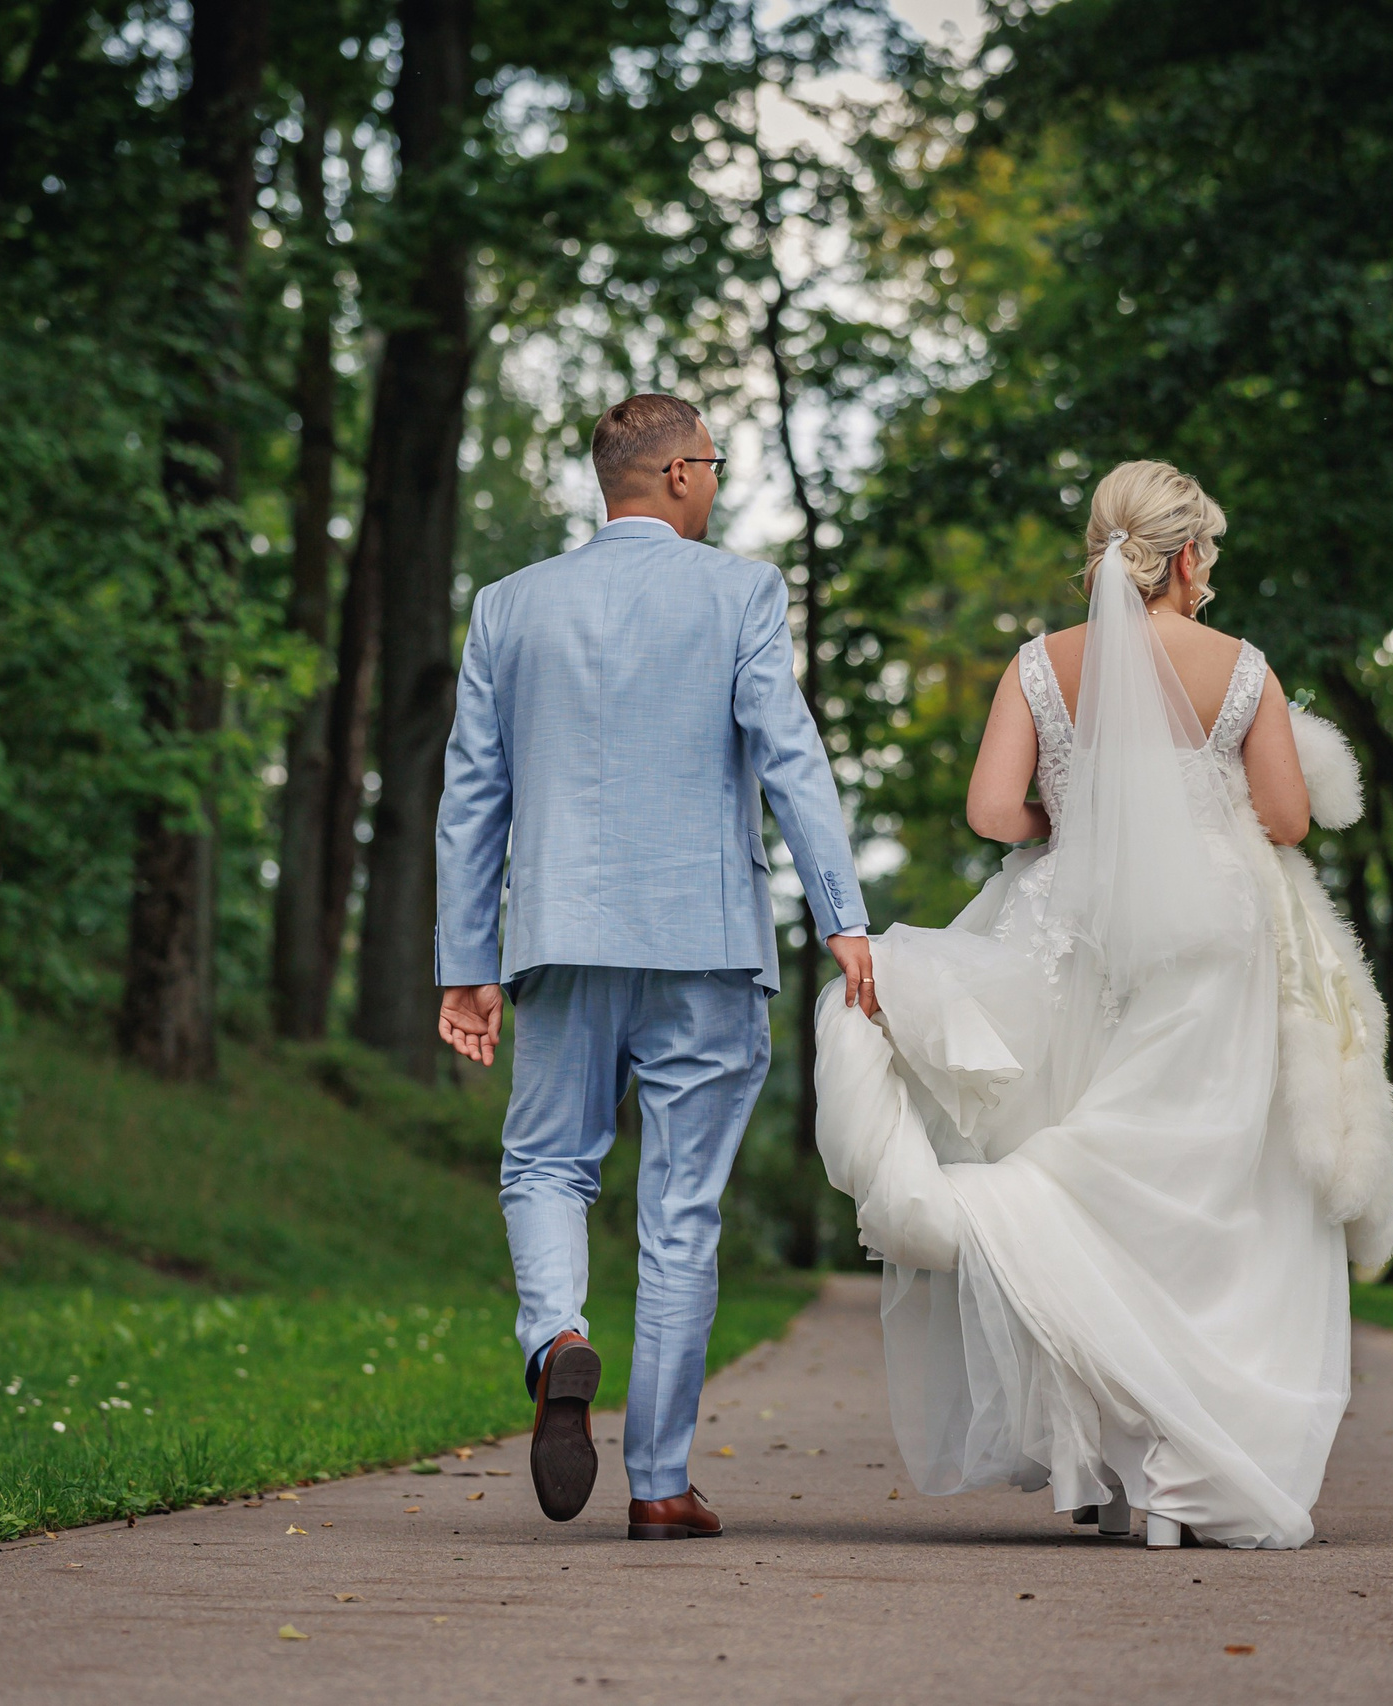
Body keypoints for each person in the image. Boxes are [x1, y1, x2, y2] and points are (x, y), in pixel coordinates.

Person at [814, 460, 1393, 1550]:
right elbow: (1285, 816)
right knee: (1205, 1191)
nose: (1208, 573)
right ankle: (1187, 1471)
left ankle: (1098, 1463)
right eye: (1207, 554)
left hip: (1069, 927)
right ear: (1182, 554)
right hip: (1211, 944)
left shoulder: (1039, 665)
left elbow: (994, 811)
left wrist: (1086, 813)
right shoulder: (1242, 670)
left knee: (1083, 1165)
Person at [432, 393, 876, 1541]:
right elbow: (791, 758)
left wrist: (466, 961)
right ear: (679, 473)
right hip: (703, 939)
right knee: (679, 1211)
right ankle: (661, 1484)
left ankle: (557, 1339)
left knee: (543, 1164)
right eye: (713, 465)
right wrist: (843, 916)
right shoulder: (740, 591)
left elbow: (471, 796)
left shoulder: (508, 606)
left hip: (561, 938)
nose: (717, 483)